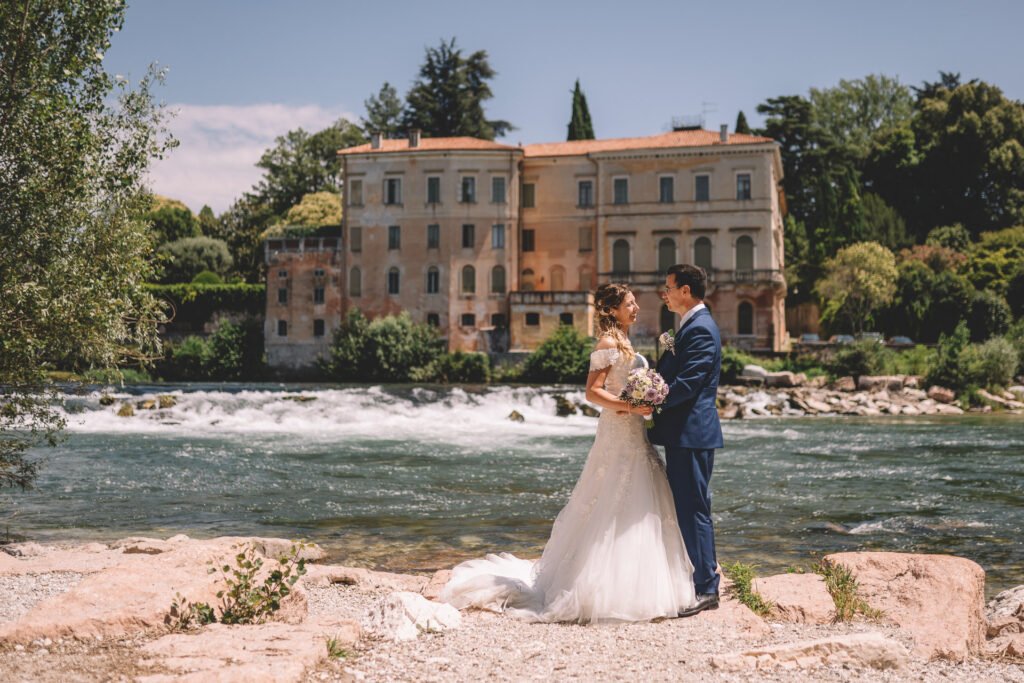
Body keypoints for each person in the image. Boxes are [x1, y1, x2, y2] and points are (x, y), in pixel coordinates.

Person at [441, 283, 696, 622]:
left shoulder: (625, 341)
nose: (636, 308)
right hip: (618, 429)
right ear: (612, 310)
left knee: (640, 496)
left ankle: (642, 581)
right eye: (630, 304)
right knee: (612, 496)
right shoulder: (607, 344)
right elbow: (592, 392)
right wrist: (629, 406)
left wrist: (646, 399)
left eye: (635, 303)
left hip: (635, 430)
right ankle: (601, 587)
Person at [648, 264, 724, 617]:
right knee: (689, 508)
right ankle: (699, 580)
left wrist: (650, 401)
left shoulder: (701, 328)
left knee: (694, 510)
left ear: (686, 290)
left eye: (669, 287)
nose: (664, 293)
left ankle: (707, 588)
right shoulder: (689, 326)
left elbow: (690, 383)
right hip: (685, 432)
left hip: (692, 432)